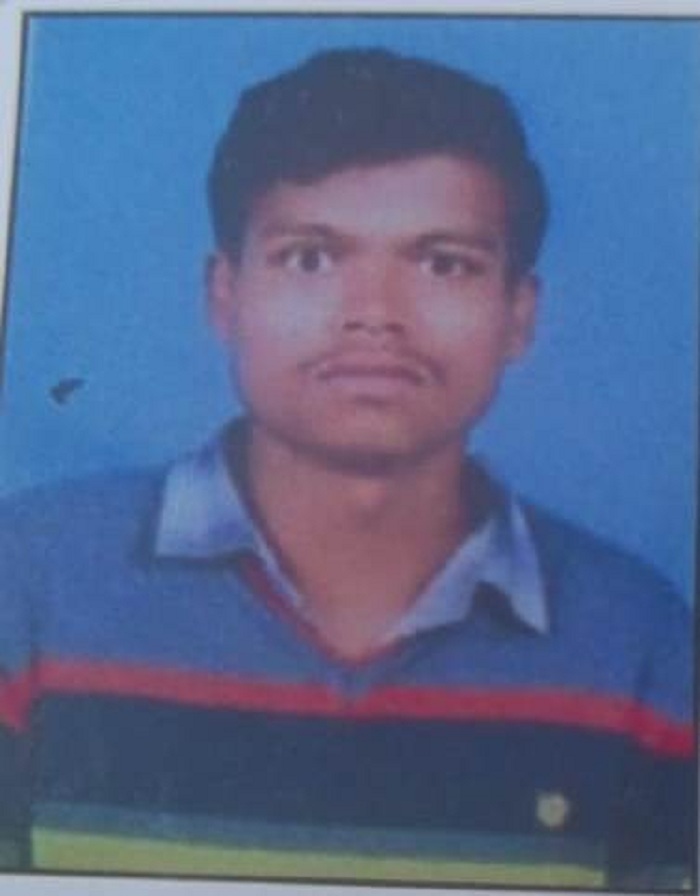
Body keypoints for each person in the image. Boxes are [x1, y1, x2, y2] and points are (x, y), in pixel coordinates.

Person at [0, 48, 693, 889]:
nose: (374, 317)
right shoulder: (27, 586)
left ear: (519, 314)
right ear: (224, 295)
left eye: (443, 263)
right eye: (311, 258)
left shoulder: (642, 643)